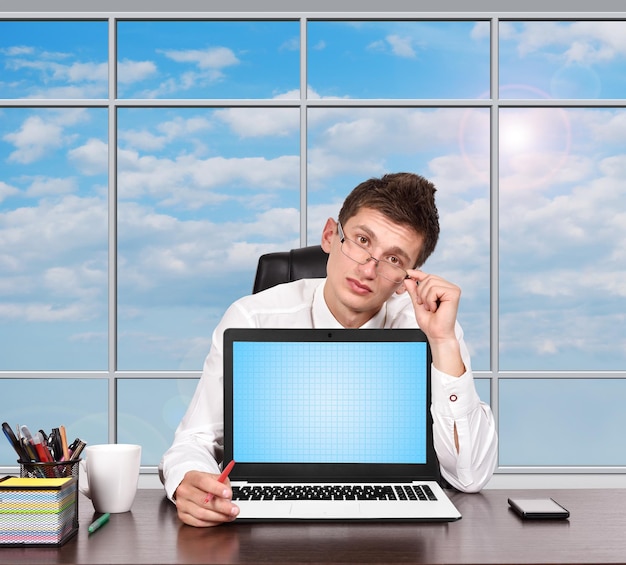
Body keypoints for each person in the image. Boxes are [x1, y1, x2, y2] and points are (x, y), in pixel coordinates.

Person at [159, 172, 498, 527]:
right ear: (329, 236)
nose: (369, 269)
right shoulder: (253, 316)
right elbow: (195, 438)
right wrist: (189, 481)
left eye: (394, 260)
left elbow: (469, 476)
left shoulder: (431, 326)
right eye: (362, 240)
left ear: (407, 278)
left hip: (394, 529)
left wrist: (443, 342)